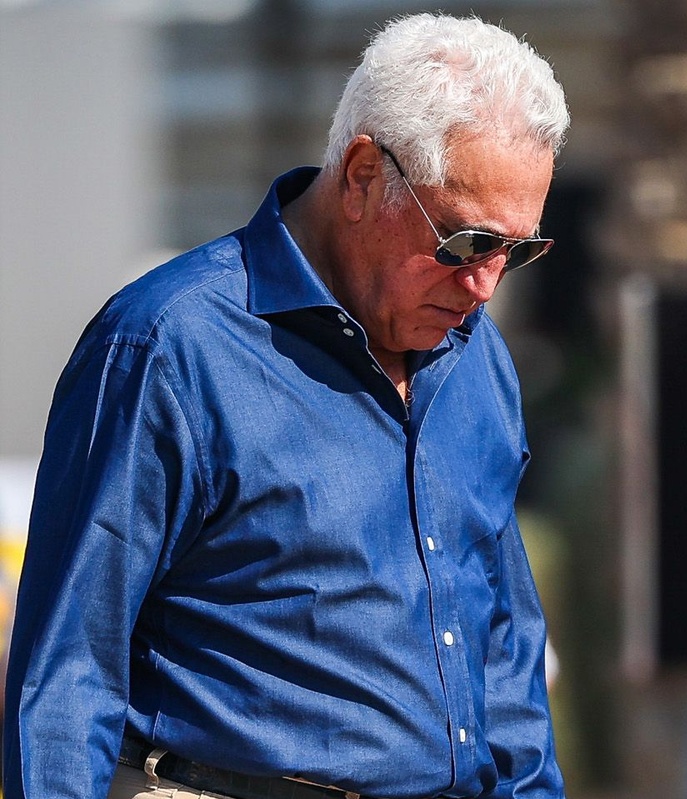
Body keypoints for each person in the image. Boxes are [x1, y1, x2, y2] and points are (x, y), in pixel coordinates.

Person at [3, 13, 570, 799]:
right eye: (468, 242)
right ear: (364, 175)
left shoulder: (480, 357)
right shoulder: (168, 347)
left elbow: (504, 651)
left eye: (518, 249)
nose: (486, 284)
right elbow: (68, 671)